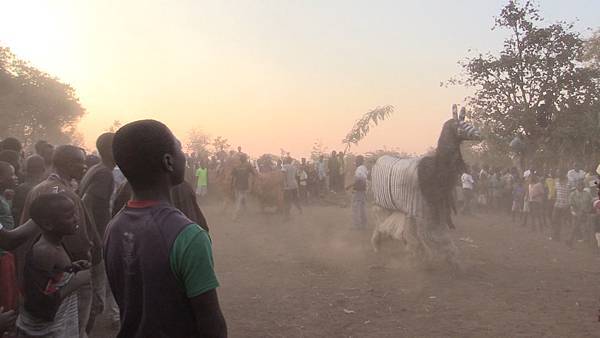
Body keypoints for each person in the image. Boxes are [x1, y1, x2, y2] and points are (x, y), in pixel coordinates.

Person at [105, 120, 226, 338]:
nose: (185, 156)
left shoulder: (113, 227)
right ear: (169, 162)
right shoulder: (188, 236)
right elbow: (210, 321)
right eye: (179, 149)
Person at [19, 145, 101, 338]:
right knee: (72, 328)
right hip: (63, 276)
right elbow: (79, 242)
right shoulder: (64, 195)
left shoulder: (40, 189)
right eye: (79, 162)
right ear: (67, 163)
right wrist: (83, 272)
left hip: (41, 275)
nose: (84, 166)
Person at [16, 193, 91, 338]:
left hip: (60, 320)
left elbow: (51, 278)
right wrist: (75, 282)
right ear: (48, 224)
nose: (77, 218)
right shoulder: (45, 251)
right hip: (47, 330)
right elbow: (38, 302)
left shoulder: (55, 243)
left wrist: (71, 268)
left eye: (75, 213)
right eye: (69, 216)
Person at [77, 133, 115, 334]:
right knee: (95, 299)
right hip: (96, 241)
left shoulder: (97, 169)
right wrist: (98, 238)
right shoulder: (104, 174)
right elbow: (86, 204)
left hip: (92, 238)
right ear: (110, 151)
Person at [0, 162, 19, 317]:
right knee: (6, 297)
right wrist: (36, 220)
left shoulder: (3, 197)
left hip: (6, 252)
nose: (15, 177)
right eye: (11, 174)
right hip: (2, 254)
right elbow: (7, 237)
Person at [11, 156, 45, 230]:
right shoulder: (46, 188)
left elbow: (16, 213)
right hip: (40, 228)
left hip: (23, 228)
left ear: (26, 169)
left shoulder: (21, 188)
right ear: (43, 169)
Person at [567, 181, 592, 248]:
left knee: (587, 227)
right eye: (579, 185)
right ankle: (570, 241)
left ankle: (588, 241)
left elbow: (590, 203)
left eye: (582, 185)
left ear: (583, 186)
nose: (580, 186)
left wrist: (588, 210)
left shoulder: (587, 194)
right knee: (574, 228)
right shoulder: (573, 194)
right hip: (577, 213)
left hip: (586, 213)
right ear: (576, 186)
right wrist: (575, 212)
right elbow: (571, 205)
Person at [231, 153, 255, 221]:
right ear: (245, 159)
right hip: (244, 186)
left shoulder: (236, 166)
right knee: (239, 200)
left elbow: (233, 177)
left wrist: (232, 185)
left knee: (242, 199)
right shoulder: (248, 166)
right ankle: (235, 216)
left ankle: (247, 213)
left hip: (237, 186)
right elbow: (254, 173)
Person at [349, 155, 368, 229]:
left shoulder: (359, 169)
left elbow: (359, 180)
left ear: (360, 161)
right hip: (363, 190)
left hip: (358, 191)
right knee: (363, 208)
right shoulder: (364, 168)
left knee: (355, 208)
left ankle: (356, 225)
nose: (355, 162)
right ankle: (364, 224)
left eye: (357, 160)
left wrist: (350, 186)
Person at [551, 169, 570, 242]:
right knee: (555, 220)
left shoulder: (568, 182)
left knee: (565, 222)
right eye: (558, 173)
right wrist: (555, 199)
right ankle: (556, 235)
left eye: (559, 173)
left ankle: (567, 237)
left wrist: (569, 205)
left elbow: (570, 194)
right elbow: (556, 192)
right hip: (557, 204)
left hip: (565, 205)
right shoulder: (556, 182)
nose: (558, 174)